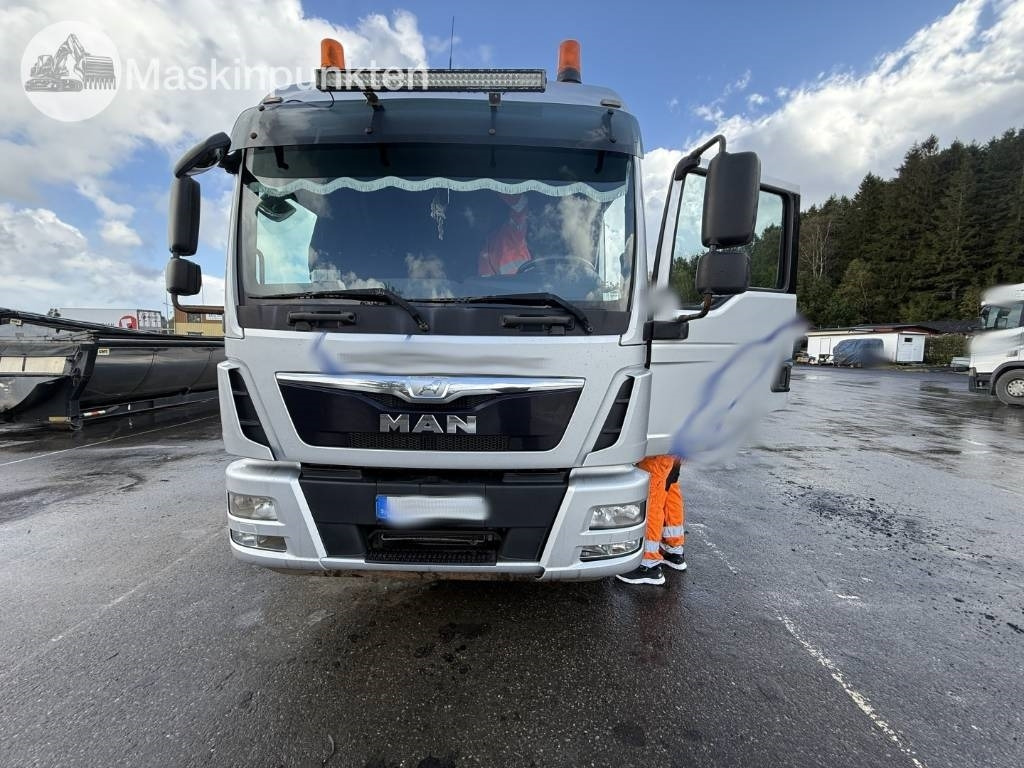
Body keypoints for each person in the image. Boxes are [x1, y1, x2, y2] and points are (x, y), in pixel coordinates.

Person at [616, 455, 686, 585]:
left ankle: (648, 564)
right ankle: (673, 549)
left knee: (653, 494)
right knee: (669, 486)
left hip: (660, 450)